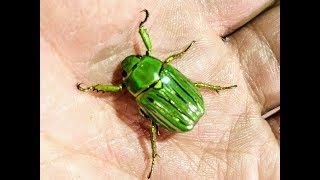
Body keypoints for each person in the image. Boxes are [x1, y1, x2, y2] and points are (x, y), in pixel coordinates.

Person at [40, 1, 280, 179]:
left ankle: (154, 153)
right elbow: (150, 53)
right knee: (161, 116)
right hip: (189, 107)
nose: (130, 65)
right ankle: (154, 152)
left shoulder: (136, 90)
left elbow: (114, 89)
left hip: (181, 112)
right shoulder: (163, 68)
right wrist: (142, 31)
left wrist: (93, 87)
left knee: (154, 124)